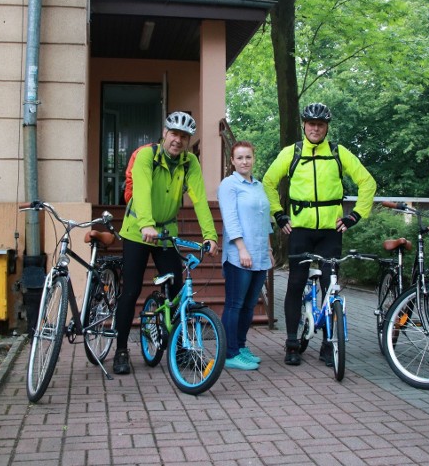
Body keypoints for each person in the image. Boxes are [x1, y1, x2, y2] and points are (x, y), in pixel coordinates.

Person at [263, 103, 377, 366]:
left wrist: (355, 215)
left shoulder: (338, 153)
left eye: (321, 124)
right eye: (311, 124)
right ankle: (292, 343)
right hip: (301, 230)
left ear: (327, 127)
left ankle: (329, 344)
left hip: (330, 232)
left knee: (330, 286)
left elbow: (367, 182)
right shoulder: (292, 153)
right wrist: (279, 214)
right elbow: (268, 181)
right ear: (304, 125)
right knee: (295, 284)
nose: (315, 128)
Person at [112, 111, 219, 375]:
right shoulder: (147, 155)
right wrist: (146, 223)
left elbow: (199, 199)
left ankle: (180, 350)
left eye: (184, 136)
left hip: (166, 232)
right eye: (174, 134)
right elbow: (142, 189)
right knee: (132, 289)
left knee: (176, 289)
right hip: (138, 229)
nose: (178, 140)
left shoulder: (189, 162)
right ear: (165, 133)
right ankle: (121, 350)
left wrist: (210, 234)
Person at [217, 141, 273, 371]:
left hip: (260, 254)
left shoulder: (258, 186)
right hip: (239, 255)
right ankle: (229, 353)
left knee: (249, 305)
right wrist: (241, 249)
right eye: (239, 158)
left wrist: (269, 249)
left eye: (248, 157)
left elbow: (264, 219)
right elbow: (230, 219)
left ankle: (240, 346)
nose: (244, 161)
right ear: (232, 161)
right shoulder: (229, 185)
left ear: (253, 159)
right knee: (235, 304)